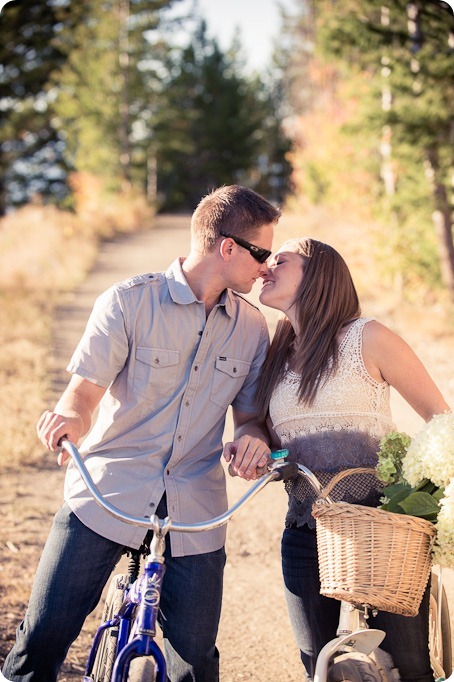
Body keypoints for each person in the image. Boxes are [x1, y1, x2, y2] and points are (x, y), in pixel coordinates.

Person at [3, 185, 280, 682]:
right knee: (40, 639)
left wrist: (253, 438)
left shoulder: (254, 329)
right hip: (108, 492)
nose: (266, 268)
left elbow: (250, 417)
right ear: (228, 248)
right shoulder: (128, 302)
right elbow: (82, 395)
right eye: (261, 254)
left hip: (196, 509)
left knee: (194, 664)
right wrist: (69, 419)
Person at [252, 237, 451, 682]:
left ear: (318, 275)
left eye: (280, 261)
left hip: (383, 530)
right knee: (317, 667)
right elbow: (270, 444)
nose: (266, 267)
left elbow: (441, 420)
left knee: (411, 668)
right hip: (305, 528)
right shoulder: (273, 356)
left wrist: (430, 491)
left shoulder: (368, 337)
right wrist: (255, 453)